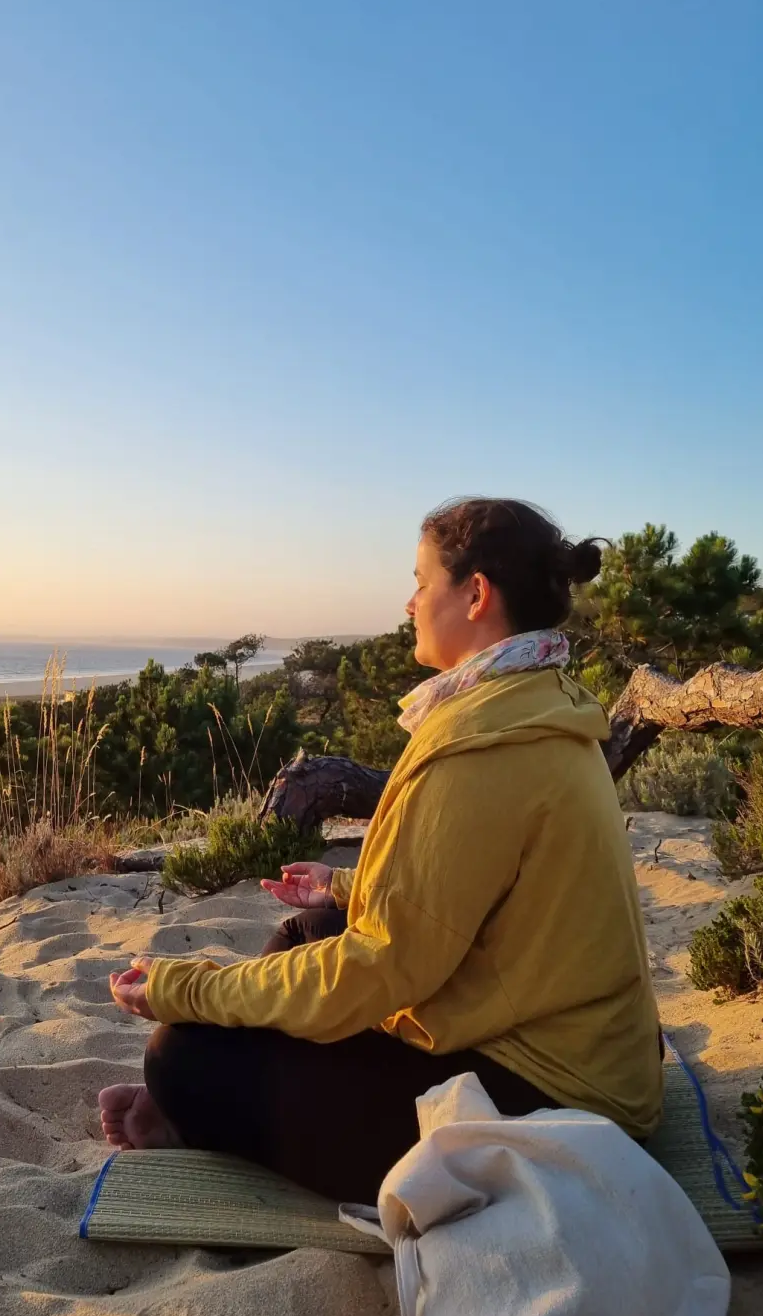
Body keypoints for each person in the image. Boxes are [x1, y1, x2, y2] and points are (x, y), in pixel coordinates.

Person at [99, 497, 663, 1202]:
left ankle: (196, 1108)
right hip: (580, 1047)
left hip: (562, 1111)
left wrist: (189, 990)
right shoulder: (533, 700)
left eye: (423, 581)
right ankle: (207, 1104)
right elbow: (482, 889)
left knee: (181, 1055)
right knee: (307, 931)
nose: (409, 602)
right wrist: (341, 893)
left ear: (476, 593)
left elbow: (381, 968)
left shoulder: (480, 747)